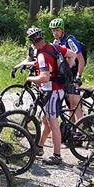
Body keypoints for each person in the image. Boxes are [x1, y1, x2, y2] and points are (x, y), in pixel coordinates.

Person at [25, 27, 69, 165]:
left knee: (53, 123)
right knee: (45, 119)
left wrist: (29, 79)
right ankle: (39, 147)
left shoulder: (42, 55)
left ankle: (57, 155)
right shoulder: (54, 47)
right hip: (59, 89)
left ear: (32, 42)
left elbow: (44, 77)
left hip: (52, 91)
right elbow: (72, 55)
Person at [49, 18, 87, 121]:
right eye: (53, 30)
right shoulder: (56, 42)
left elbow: (81, 60)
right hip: (66, 74)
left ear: (62, 30)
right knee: (69, 104)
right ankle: (72, 128)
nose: (55, 33)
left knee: (74, 104)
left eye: (57, 30)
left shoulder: (69, 41)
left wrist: (78, 76)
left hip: (74, 73)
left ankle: (80, 129)